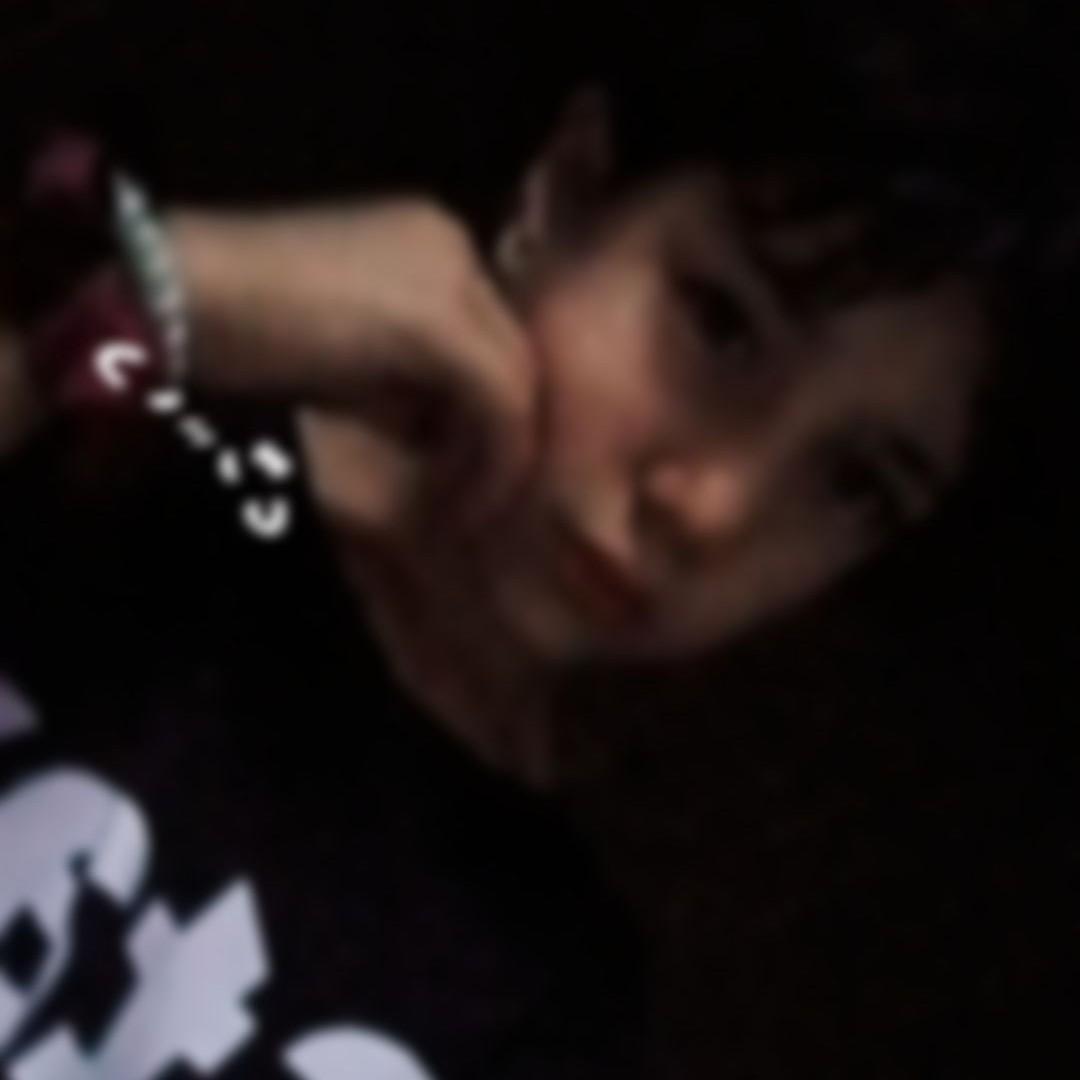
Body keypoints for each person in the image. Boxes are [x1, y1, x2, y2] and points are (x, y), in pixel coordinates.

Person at [0, 1, 1072, 1077]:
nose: (714, 509)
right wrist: (173, 288)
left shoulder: (537, 990)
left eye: (853, 485)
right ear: (567, 187)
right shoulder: (118, 437)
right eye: (721, 322)